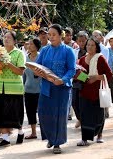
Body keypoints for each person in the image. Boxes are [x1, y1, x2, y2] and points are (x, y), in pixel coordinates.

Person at [35, 24, 76, 154]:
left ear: (60, 35)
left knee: (59, 116)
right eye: (49, 34)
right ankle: (50, 138)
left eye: (53, 34)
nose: (51, 37)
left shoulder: (68, 51)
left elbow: (72, 69)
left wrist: (62, 80)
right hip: (46, 88)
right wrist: (37, 72)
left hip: (62, 89)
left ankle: (57, 143)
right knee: (43, 113)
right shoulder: (45, 50)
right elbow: (38, 66)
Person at [0, 31, 25, 147]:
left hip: (14, 88)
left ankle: (20, 131)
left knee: (15, 113)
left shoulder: (18, 53)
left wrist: (7, 63)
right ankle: (5, 138)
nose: (6, 39)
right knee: (1, 113)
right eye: (4, 37)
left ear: (14, 40)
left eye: (9, 37)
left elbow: (20, 71)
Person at [76, 38, 112, 146]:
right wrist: (85, 78)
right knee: (84, 115)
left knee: (98, 115)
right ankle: (84, 138)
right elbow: (77, 74)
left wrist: (96, 77)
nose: (89, 47)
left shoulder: (100, 58)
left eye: (92, 45)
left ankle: (99, 135)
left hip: (98, 93)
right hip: (84, 92)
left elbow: (109, 74)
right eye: (88, 45)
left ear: (96, 47)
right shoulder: (82, 59)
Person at [23, 37, 41, 140]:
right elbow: (23, 75)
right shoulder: (25, 58)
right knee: (30, 111)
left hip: (40, 89)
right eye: (28, 44)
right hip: (28, 89)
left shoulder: (41, 57)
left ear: (37, 46)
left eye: (32, 44)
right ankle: (33, 132)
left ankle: (45, 131)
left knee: (42, 111)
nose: (29, 46)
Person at [72, 31, 88, 128]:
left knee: (84, 102)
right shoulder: (74, 52)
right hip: (76, 80)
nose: (82, 43)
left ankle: (85, 120)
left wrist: (84, 77)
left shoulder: (90, 51)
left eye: (83, 41)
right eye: (80, 41)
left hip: (87, 80)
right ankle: (79, 119)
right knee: (74, 102)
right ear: (77, 41)